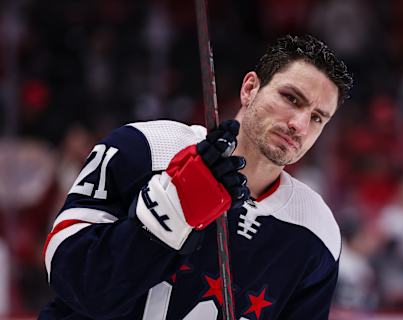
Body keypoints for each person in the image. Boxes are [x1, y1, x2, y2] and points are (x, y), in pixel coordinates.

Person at [40, 34, 353, 320]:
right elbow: (75, 281)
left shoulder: (317, 231)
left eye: (317, 118)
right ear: (250, 88)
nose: (299, 124)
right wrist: (172, 209)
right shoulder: (144, 148)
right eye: (291, 99)